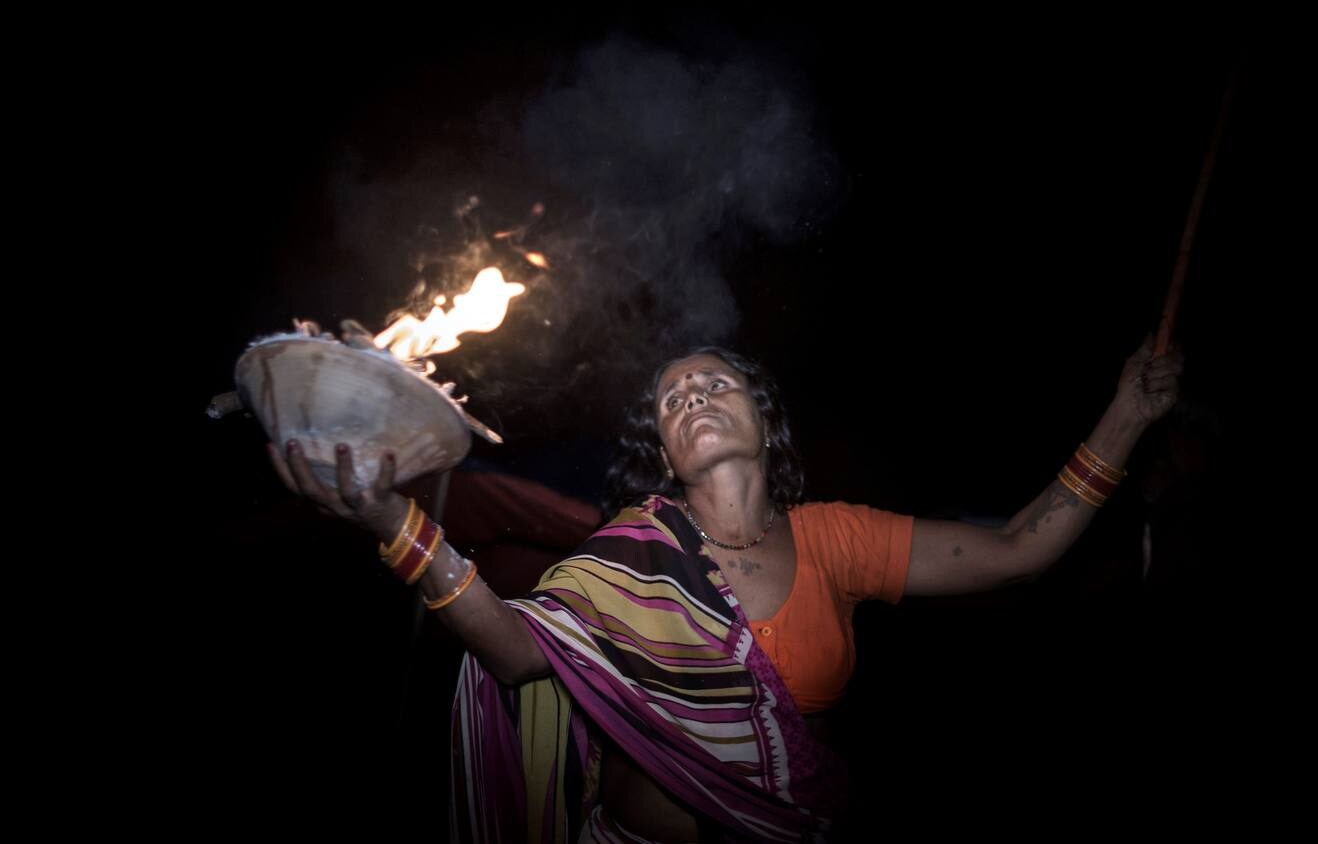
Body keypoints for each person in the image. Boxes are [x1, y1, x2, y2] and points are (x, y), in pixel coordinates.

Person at [268, 335, 1183, 842]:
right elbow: (514, 657)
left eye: (716, 382)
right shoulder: (632, 553)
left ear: (760, 416)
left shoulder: (838, 537)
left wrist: (1127, 416)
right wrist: (396, 525)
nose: (694, 396)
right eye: (672, 398)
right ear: (664, 451)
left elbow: (1022, 548)